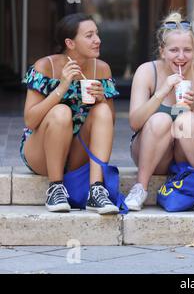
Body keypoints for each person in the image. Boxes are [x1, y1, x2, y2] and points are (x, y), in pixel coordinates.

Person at [20, 13, 120, 214]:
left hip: (77, 153)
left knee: (102, 110)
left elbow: (109, 121)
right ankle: (55, 187)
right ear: (70, 43)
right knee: (61, 112)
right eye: (89, 35)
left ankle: (96, 190)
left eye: (97, 34)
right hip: (41, 152)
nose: (97, 40)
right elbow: (30, 121)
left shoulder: (101, 70)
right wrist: (62, 87)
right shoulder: (45, 67)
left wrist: (102, 99)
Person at [126, 12, 194, 212]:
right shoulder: (146, 71)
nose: (181, 56)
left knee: (187, 120)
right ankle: (140, 188)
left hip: (192, 153)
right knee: (160, 119)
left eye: (187, 50)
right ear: (162, 51)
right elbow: (135, 123)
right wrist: (161, 93)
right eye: (174, 50)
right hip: (153, 153)